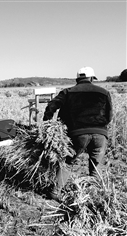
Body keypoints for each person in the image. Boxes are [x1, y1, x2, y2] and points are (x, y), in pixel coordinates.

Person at [43, 66, 113, 201]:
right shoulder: (104, 92)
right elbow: (109, 115)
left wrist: (47, 122)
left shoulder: (67, 92)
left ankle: (55, 192)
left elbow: (52, 105)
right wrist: (99, 126)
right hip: (100, 134)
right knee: (95, 166)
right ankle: (94, 195)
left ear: (77, 79)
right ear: (92, 78)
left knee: (68, 162)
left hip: (77, 134)